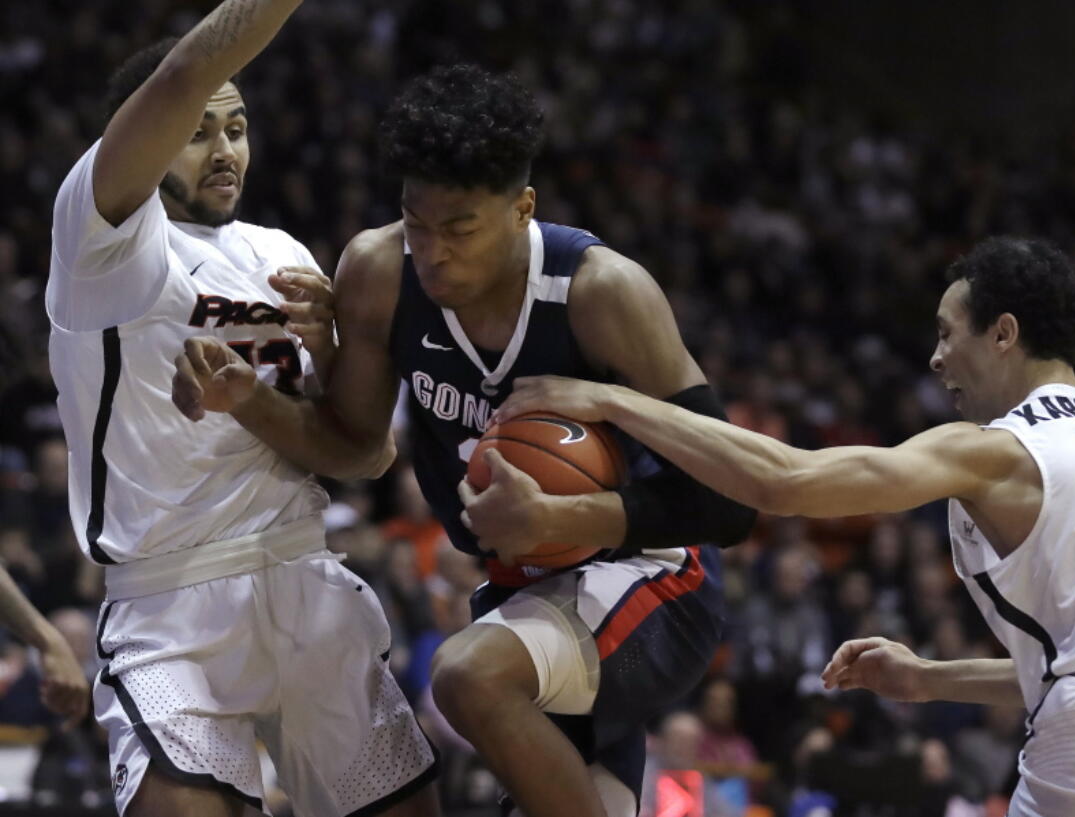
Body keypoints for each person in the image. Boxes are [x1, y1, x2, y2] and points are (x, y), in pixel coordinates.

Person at [172, 63, 756, 817]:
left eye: (459, 229)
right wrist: (250, 399)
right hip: (529, 589)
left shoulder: (601, 293)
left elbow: (732, 503)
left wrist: (571, 518)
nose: (433, 250)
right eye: (416, 222)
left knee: (469, 675)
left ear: (522, 209)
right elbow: (353, 448)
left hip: (653, 579)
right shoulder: (381, 270)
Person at [492, 237, 1075, 816]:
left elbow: (787, 481)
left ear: (1004, 334)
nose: (936, 357)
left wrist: (615, 402)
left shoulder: (997, 447)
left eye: (947, 333)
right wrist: (924, 677)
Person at [46, 2, 439, 814]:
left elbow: (364, 457)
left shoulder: (282, 255)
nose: (225, 150)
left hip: (306, 579)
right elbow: (181, 74)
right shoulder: (104, 238)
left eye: (238, 128)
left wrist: (327, 354)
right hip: (171, 603)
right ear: (149, 140)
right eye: (198, 132)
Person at [0, 565, 90, 725]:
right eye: (72, 641)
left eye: (82, 642)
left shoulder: (99, 681)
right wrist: (51, 643)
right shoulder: (26, 684)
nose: (77, 648)